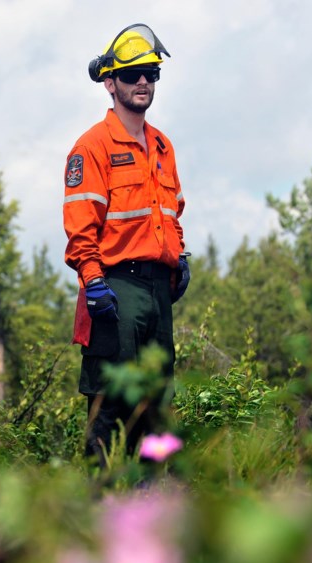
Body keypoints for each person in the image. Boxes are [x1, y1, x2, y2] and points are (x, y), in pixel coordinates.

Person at [63, 24, 190, 466]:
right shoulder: (92, 146)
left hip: (158, 290)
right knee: (112, 404)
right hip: (115, 289)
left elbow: (171, 210)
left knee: (155, 406)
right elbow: (81, 224)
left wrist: (179, 256)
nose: (143, 82)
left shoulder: (162, 145)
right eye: (134, 73)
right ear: (109, 81)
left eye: (152, 73)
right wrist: (94, 281)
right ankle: (97, 507)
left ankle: (151, 510)